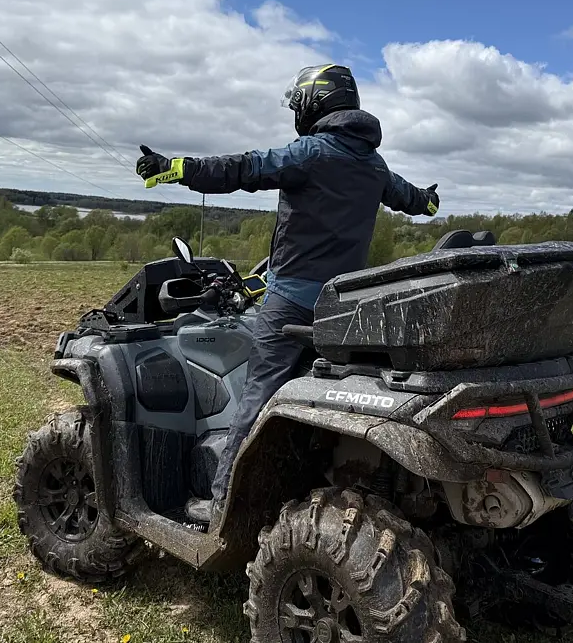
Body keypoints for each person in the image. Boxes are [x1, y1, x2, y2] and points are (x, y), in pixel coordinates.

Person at [135, 63, 440, 526]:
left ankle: (221, 504)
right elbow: (414, 199)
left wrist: (174, 168)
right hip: (342, 310)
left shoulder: (311, 152)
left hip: (290, 303)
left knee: (256, 397)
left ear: (315, 104)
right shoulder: (373, 165)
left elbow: (244, 168)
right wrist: (430, 199)